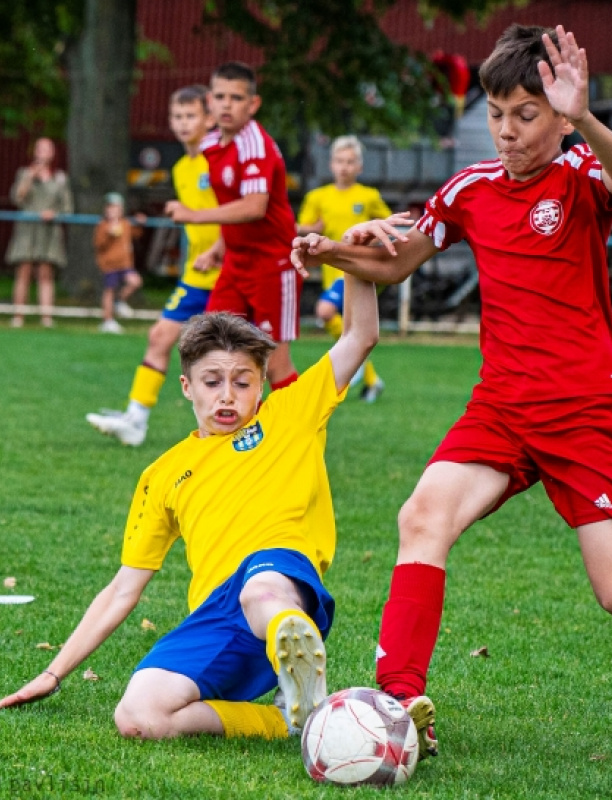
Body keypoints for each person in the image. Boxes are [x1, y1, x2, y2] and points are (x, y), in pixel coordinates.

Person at [291, 24, 612, 767]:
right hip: (500, 406)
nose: (507, 131)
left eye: (525, 115)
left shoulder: (582, 174)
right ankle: (398, 708)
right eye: (496, 114)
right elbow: (395, 264)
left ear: (558, 116)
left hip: (588, 409)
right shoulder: (470, 190)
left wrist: (586, 115)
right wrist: (335, 252)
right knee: (421, 515)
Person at [0, 267, 379, 740]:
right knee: (137, 716)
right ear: (186, 387)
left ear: (261, 384)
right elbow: (123, 589)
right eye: (212, 381)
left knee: (260, 589)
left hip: (279, 580)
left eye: (242, 382)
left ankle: (296, 654)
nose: (227, 395)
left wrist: (355, 266)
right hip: (217, 617)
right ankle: (288, 719)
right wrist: (52, 673)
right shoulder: (162, 473)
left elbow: (361, 336)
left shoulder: (291, 414)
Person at [86, 85, 221, 445]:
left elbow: (240, 214)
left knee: (235, 356)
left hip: (230, 272)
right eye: (177, 116)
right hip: (197, 273)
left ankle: (269, 429)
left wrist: (219, 249)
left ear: (209, 119)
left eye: (190, 115)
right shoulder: (180, 168)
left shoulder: (221, 160)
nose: (182, 123)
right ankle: (136, 419)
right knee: (160, 336)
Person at [165, 61, 299, 392]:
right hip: (236, 264)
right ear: (209, 101)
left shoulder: (254, 144)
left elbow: (254, 206)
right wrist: (218, 249)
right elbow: (231, 205)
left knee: (275, 360)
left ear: (253, 104)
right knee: (215, 345)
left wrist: (193, 215)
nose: (227, 104)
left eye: (236, 98)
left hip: (272, 263)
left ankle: (301, 437)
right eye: (220, 96)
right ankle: (233, 434)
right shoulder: (211, 146)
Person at [297, 135, 393, 402]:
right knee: (351, 329)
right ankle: (370, 377)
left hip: (358, 270)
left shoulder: (368, 196)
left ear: (359, 167)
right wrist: (311, 230)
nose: (345, 167)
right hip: (331, 272)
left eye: (351, 162)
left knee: (325, 311)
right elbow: (301, 227)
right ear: (331, 164)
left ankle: (360, 368)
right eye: (340, 161)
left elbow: (389, 225)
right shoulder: (319, 197)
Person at [6, 137, 74, 328]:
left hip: (49, 230)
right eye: (40, 148)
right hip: (27, 229)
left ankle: (46, 317)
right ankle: (18, 316)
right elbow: (17, 198)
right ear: (34, 151)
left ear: (53, 153)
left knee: (45, 273)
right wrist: (30, 177)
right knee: (24, 271)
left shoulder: (60, 178)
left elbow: (68, 208)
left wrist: (54, 213)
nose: (44, 152)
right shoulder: (24, 173)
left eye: (48, 148)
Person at [93, 192, 146, 334]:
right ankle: (107, 320)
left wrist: (140, 224)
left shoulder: (125, 223)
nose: (113, 210)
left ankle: (119, 302)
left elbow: (136, 234)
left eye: (116, 207)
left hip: (126, 264)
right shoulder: (103, 225)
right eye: (111, 207)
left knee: (135, 282)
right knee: (109, 290)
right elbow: (98, 244)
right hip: (110, 264)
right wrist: (108, 234)